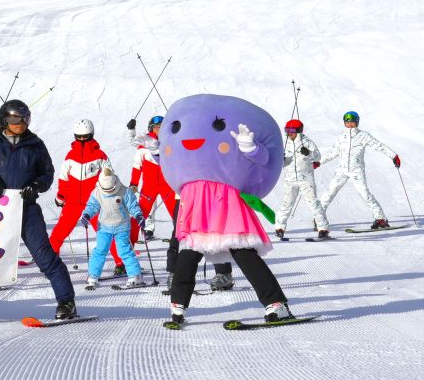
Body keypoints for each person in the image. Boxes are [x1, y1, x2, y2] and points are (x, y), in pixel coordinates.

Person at [159, 95, 296, 330]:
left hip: (226, 205)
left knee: (244, 255)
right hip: (196, 207)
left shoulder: (239, 142)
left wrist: (250, 147)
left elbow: (265, 159)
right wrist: (156, 152)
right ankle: (177, 306)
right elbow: (173, 159)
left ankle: (276, 303)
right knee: (187, 259)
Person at [0, 99, 79, 325]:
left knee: (44, 256)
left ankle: (66, 302)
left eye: (25, 119)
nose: (21, 123)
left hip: (26, 209)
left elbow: (47, 173)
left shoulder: (35, 144)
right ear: (5, 118)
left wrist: (36, 186)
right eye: (15, 119)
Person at [322, 110, 401, 230]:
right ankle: (319, 219)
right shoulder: (341, 138)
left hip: (356, 170)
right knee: (329, 193)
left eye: (352, 122)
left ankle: (380, 219)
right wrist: (318, 162)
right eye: (347, 122)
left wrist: (393, 156)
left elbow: (379, 146)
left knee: (365, 194)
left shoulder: (363, 136)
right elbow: (333, 153)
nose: (349, 124)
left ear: (357, 122)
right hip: (341, 170)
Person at [83, 162, 149, 289]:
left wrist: (139, 216)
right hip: (104, 227)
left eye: (110, 189)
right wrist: (86, 215)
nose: (108, 191)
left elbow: (133, 206)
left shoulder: (125, 191)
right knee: (100, 251)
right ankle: (93, 275)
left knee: (124, 251)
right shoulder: (96, 192)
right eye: (106, 190)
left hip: (122, 227)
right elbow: (92, 206)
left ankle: (136, 276)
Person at [48, 118, 108, 254]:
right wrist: (61, 197)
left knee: (105, 232)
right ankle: (49, 260)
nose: (81, 140)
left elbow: (109, 178)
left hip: (94, 202)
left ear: (91, 135)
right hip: (73, 202)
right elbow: (63, 178)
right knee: (59, 232)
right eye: (78, 137)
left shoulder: (100, 156)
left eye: (85, 137)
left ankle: (121, 263)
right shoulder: (70, 156)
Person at [272, 119, 330, 240]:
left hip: (306, 180)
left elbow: (318, 157)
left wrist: (308, 153)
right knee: (286, 204)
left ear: (298, 131)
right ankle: (279, 228)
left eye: (292, 131)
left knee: (313, 204)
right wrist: (282, 159)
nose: (289, 133)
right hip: (290, 180)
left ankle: (323, 229)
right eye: (287, 131)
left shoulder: (307, 143)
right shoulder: (285, 144)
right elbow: (280, 161)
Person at [124, 114, 177, 241]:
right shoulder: (143, 147)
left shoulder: (171, 145)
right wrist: (134, 183)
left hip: (168, 186)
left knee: (177, 214)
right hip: (149, 187)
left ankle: (181, 243)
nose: (158, 130)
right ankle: (129, 242)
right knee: (140, 213)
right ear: (151, 128)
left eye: (161, 127)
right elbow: (137, 166)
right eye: (156, 127)